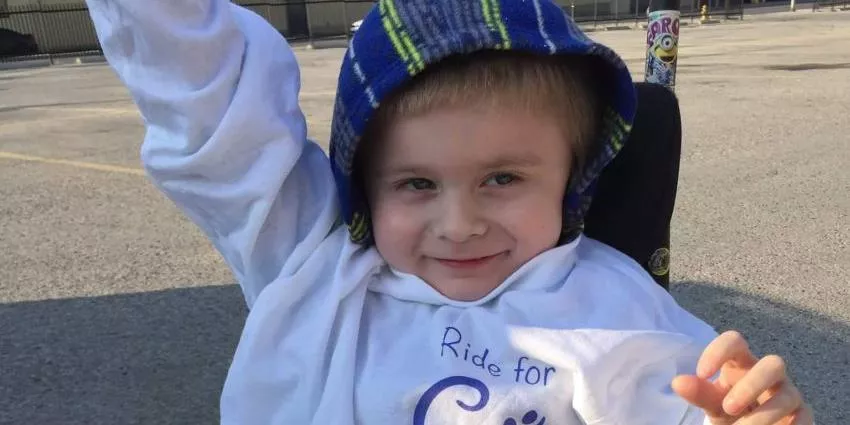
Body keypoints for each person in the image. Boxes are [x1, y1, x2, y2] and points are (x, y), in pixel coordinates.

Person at [86, 0, 813, 423]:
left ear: (572, 177)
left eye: (502, 177)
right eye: (414, 184)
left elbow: (703, 405)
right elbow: (208, 101)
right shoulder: (316, 265)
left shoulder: (616, 303)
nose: (459, 222)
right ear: (363, 184)